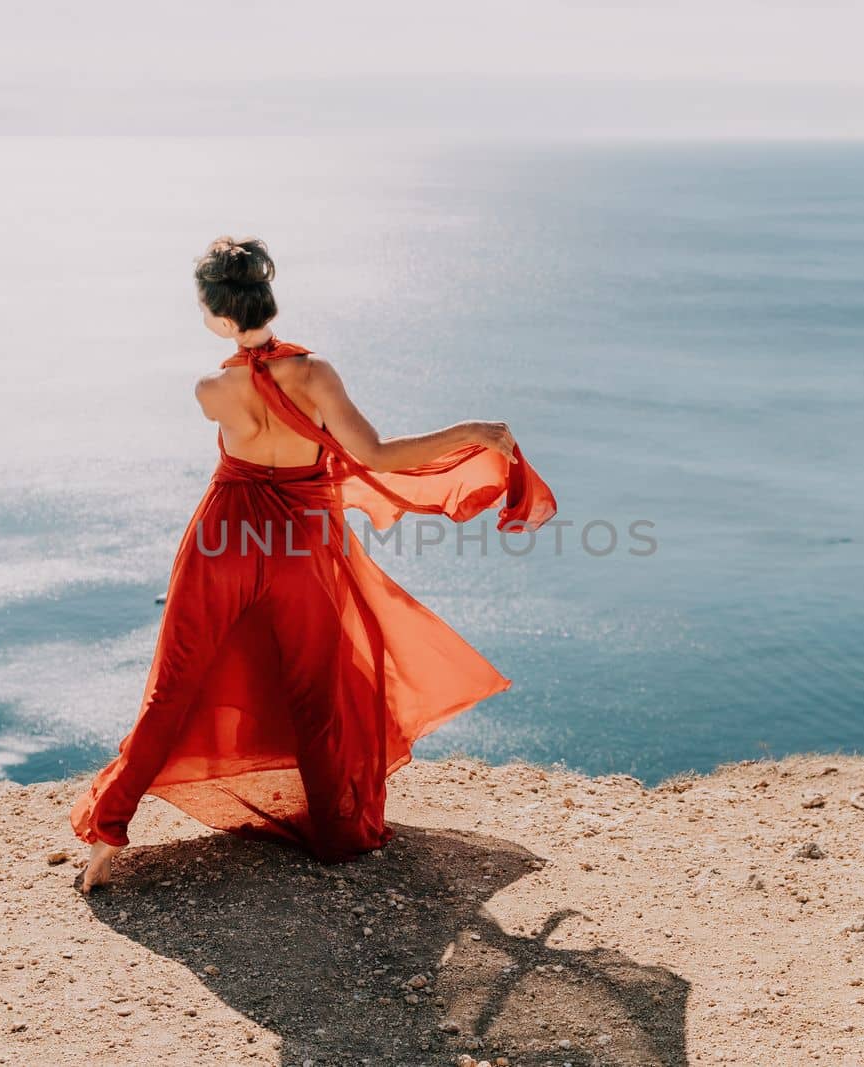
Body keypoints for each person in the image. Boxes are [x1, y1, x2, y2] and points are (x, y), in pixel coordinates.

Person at [71, 235, 556, 893]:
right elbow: (380, 455)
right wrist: (470, 431)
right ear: (269, 298)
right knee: (316, 688)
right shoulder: (318, 374)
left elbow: (244, 431)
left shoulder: (211, 389)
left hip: (223, 540)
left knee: (173, 688)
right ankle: (338, 833)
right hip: (302, 545)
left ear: (216, 315)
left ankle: (107, 836)